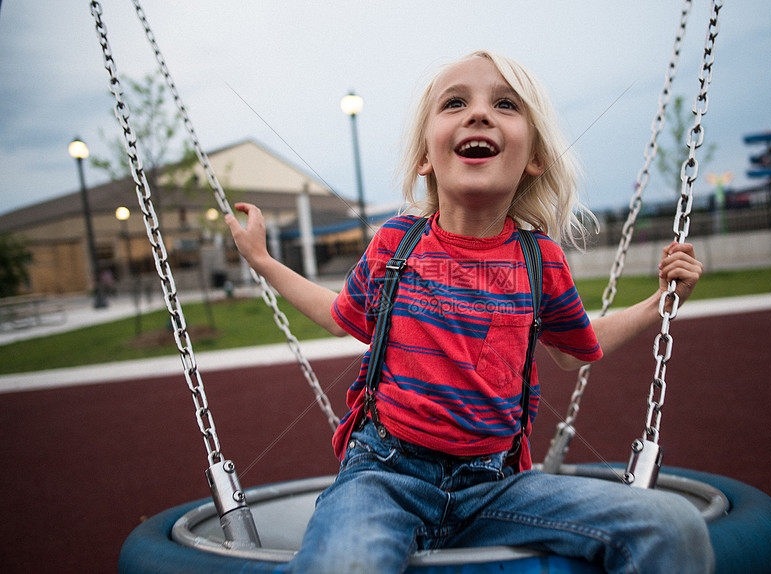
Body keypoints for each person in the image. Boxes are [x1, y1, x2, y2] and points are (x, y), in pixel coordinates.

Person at [226, 50, 713, 574]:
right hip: (384, 478)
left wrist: (659, 304)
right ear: (425, 158)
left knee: (670, 524)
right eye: (455, 102)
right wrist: (262, 261)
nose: (479, 114)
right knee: (344, 564)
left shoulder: (538, 260)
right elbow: (339, 312)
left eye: (505, 104)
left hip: (495, 486)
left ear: (534, 158)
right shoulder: (398, 244)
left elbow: (577, 351)